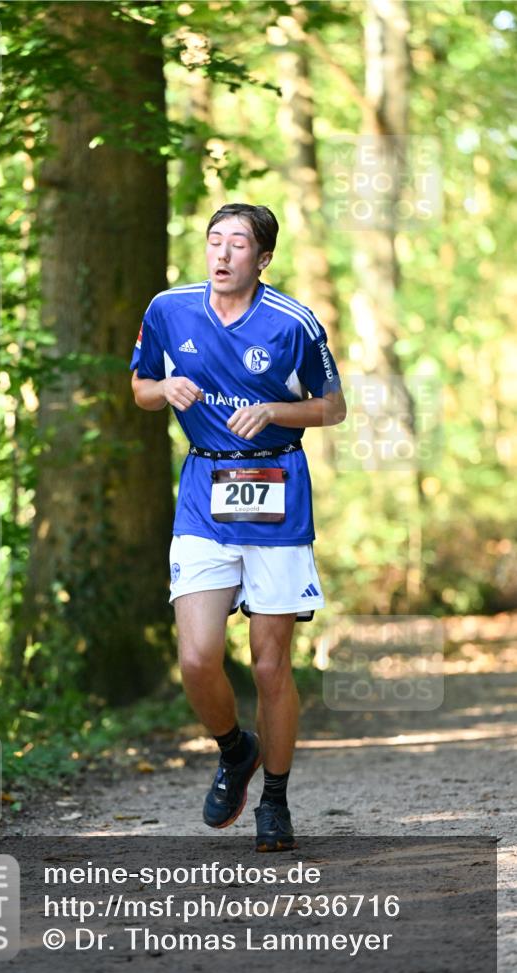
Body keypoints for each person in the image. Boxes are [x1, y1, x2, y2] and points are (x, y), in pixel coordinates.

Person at [130, 203, 346, 851]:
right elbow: (139, 386)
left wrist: (275, 409)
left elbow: (332, 407)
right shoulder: (168, 309)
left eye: (237, 244)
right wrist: (163, 392)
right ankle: (234, 751)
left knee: (269, 664)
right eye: (214, 241)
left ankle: (274, 801)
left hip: (275, 486)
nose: (222, 254)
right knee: (197, 657)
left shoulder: (292, 322)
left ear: (262, 258)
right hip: (203, 487)